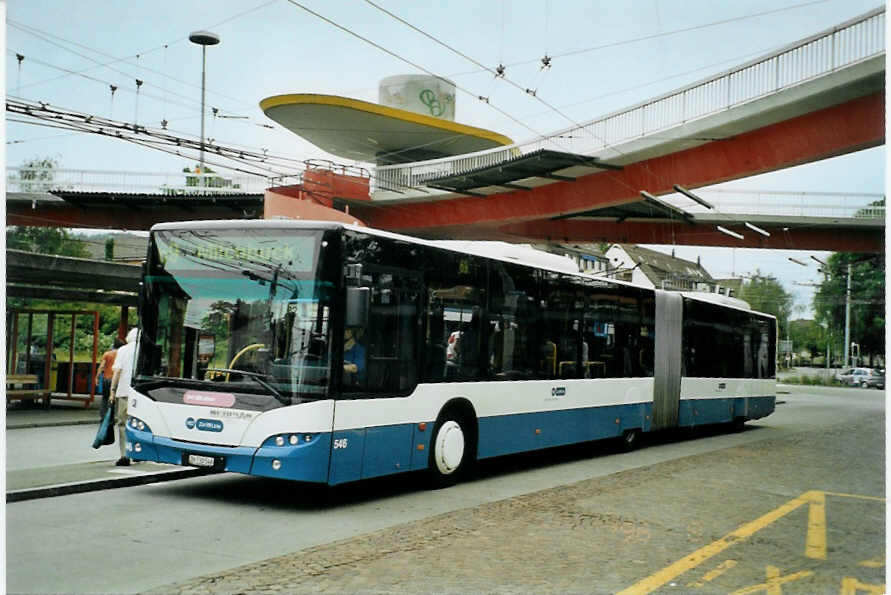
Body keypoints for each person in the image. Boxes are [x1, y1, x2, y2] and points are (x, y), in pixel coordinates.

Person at [109, 327, 138, 466]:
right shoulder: (143, 350)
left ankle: (125, 456)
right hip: (141, 394)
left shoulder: (123, 350)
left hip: (124, 392)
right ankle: (139, 453)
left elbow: (117, 372)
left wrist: (112, 391)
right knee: (139, 424)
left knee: (123, 424)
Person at [95, 337, 124, 420]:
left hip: (106, 379)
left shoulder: (107, 354)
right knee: (115, 399)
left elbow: (101, 366)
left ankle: (103, 416)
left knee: (105, 398)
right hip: (116, 380)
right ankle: (112, 417)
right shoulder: (121, 354)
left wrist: (97, 377)